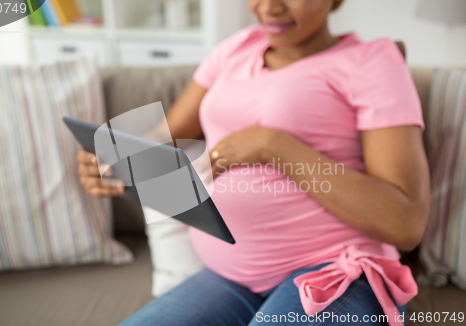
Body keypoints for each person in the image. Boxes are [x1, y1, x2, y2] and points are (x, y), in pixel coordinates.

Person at [76, 0, 430, 325]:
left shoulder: (372, 61)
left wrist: (273, 146)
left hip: (337, 273)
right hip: (227, 279)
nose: (270, 7)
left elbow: (406, 223)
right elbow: (163, 139)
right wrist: (117, 162)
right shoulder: (235, 48)